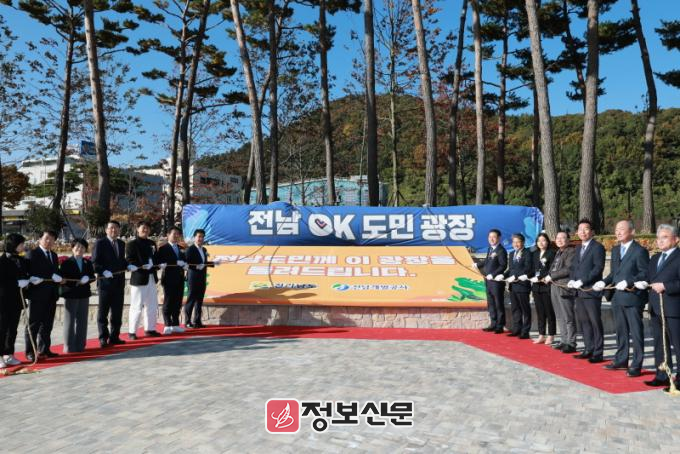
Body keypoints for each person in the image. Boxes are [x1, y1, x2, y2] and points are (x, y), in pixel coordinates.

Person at [593, 220, 649, 377]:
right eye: (616, 229)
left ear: (632, 231)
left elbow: (645, 273)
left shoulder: (640, 251)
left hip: (632, 297)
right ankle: (621, 359)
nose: (618, 232)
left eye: (622, 229)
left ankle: (636, 364)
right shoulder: (616, 250)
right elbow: (614, 274)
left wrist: (629, 281)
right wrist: (604, 282)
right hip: (617, 297)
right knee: (621, 331)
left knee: (636, 332)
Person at [641, 224, 680, 390]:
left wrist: (666, 286)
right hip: (656, 308)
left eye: (665, 237)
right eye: (658, 238)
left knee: (678, 345)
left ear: (676, 239)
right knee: (660, 344)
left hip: (673, 309)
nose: (660, 241)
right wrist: (642, 282)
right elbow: (649, 277)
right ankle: (662, 375)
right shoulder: (655, 258)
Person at [568, 219, 606, 363]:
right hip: (579, 291)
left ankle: (598, 352)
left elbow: (598, 268)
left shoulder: (598, 247)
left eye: (586, 229)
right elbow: (574, 267)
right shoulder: (578, 247)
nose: (583, 232)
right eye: (580, 229)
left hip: (591, 291)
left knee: (595, 321)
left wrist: (583, 280)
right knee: (584, 321)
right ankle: (588, 348)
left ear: (592, 232)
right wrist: (572, 279)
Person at [25, 230, 63, 362]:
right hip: (37, 294)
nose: (49, 241)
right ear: (40, 239)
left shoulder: (54, 255)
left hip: (51, 294)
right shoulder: (32, 254)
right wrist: (49, 276)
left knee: (47, 324)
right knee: (34, 324)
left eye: (52, 239)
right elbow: (29, 272)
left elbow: (55, 271)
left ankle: (44, 349)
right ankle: (30, 351)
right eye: (46, 238)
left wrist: (59, 277)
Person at [92, 220, 129, 347]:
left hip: (119, 283)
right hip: (105, 284)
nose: (114, 230)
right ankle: (103, 337)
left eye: (116, 228)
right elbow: (94, 262)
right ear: (106, 230)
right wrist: (103, 271)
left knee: (117, 312)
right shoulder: (100, 243)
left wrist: (128, 265)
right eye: (111, 228)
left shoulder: (121, 243)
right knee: (103, 312)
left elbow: (121, 261)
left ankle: (114, 336)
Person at [59, 239, 96, 354]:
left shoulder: (87, 262)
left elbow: (92, 276)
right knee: (69, 321)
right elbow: (63, 279)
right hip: (71, 294)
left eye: (82, 247)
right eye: (77, 247)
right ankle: (69, 346)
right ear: (72, 248)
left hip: (84, 294)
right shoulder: (66, 262)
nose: (79, 249)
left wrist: (88, 279)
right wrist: (76, 283)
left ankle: (80, 345)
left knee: (82, 321)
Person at [126, 221, 162, 339]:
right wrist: (141, 265)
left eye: (147, 228)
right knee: (136, 306)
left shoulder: (152, 243)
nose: (145, 230)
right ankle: (132, 331)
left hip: (151, 277)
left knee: (152, 305)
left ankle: (150, 329)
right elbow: (130, 260)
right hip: (139, 278)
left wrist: (158, 265)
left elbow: (156, 258)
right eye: (143, 228)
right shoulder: (132, 244)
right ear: (137, 229)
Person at [0, 233, 29, 367]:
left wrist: (28, 280)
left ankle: (9, 353)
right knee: (2, 328)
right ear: (13, 245)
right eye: (21, 244)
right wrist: (16, 283)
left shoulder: (21, 260)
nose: (23, 246)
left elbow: (25, 274)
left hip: (17, 300)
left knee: (13, 328)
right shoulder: (2, 261)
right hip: (3, 300)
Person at [546, 231, 577, 353]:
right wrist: (548, 275)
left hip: (564, 286)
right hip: (554, 285)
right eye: (557, 238)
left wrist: (552, 275)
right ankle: (564, 340)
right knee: (559, 315)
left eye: (562, 238)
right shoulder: (558, 252)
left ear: (568, 240)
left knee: (568, 316)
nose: (559, 240)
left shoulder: (571, 251)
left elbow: (568, 269)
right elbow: (553, 267)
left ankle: (571, 342)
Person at [499, 233, 533, 339]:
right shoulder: (511, 253)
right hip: (513, 286)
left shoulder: (528, 253)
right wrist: (503, 275)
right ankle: (517, 329)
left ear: (523, 242)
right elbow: (510, 269)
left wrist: (515, 276)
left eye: (518, 242)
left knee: (525, 309)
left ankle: (525, 331)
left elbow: (528, 268)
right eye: (514, 242)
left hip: (523, 286)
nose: (516, 244)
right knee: (515, 308)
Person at [155, 226, 187, 335]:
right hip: (169, 279)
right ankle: (167, 325)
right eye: (174, 234)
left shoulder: (181, 248)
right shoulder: (163, 248)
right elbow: (158, 262)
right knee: (168, 302)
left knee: (177, 302)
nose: (176, 236)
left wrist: (185, 264)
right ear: (168, 235)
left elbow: (185, 260)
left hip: (180, 278)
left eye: (178, 234)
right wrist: (164, 264)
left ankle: (175, 324)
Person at [184, 229, 214, 328]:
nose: (200, 238)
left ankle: (197, 321)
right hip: (193, 277)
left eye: (202, 237)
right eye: (199, 236)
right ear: (194, 237)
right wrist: (196, 266)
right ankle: (187, 321)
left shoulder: (204, 249)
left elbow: (203, 263)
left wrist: (213, 263)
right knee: (191, 299)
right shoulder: (190, 249)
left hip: (202, 277)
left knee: (199, 300)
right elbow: (187, 263)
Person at [479, 229, 508, 334]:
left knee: (498, 303)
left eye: (494, 237)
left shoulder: (501, 250)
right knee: (491, 303)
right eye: (490, 237)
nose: (491, 239)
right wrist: (477, 265)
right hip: (488, 281)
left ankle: (500, 325)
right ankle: (493, 323)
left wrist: (493, 274)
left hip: (496, 282)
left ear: (499, 238)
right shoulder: (490, 249)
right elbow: (487, 261)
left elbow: (503, 265)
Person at [530, 233, 556, 345]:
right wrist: (530, 276)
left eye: (543, 240)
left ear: (547, 242)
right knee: (540, 312)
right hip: (536, 287)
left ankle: (551, 335)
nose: (541, 243)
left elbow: (552, 269)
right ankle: (541, 334)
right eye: (539, 241)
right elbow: (532, 268)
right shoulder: (535, 254)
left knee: (549, 312)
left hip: (546, 286)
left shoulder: (552, 253)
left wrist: (540, 277)